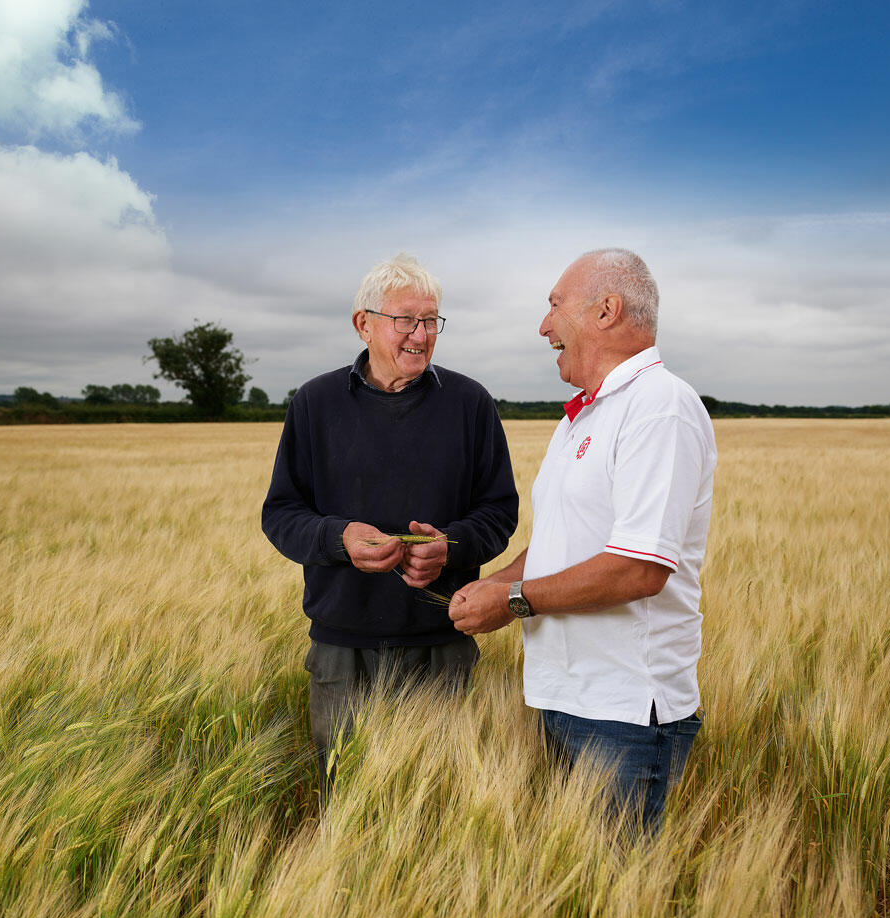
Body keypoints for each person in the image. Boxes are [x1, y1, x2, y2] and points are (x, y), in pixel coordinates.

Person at [449, 248, 716, 829]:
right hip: (564, 701)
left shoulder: (659, 408)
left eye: (554, 305)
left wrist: (513, 602)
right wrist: (485, 587)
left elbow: (639, 569)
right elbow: (556, 545)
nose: (544, 326)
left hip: (623, 715)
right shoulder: (582, 418)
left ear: (607, 310)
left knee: (620, 906)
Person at [262, 252, 518, 788]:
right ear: (364, 323)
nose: (420, 335)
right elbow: (281, 514)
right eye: (406, 320)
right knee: (345, 797)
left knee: (436, 814)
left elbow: (500, 511)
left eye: (431, 321)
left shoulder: (470, 403)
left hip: (439, 646)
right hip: (341, 651)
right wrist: (337, 538)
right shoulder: (315, 402)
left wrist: (452, 547)